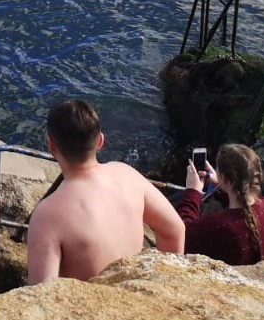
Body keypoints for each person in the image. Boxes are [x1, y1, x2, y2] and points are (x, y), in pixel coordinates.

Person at [27, 100, 185, 284]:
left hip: (88, 308)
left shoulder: (48, 214)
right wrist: (163, 284)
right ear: (100, 141)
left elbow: (41, 290)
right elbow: (175, 229)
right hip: (136, 296)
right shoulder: (127, 174)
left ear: (51, 145)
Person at [177, 143, 264, 265]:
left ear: (225, 179)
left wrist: (192, 192)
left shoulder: (220, 226)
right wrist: (221, 185)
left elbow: (181, 233)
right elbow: (243, 202)